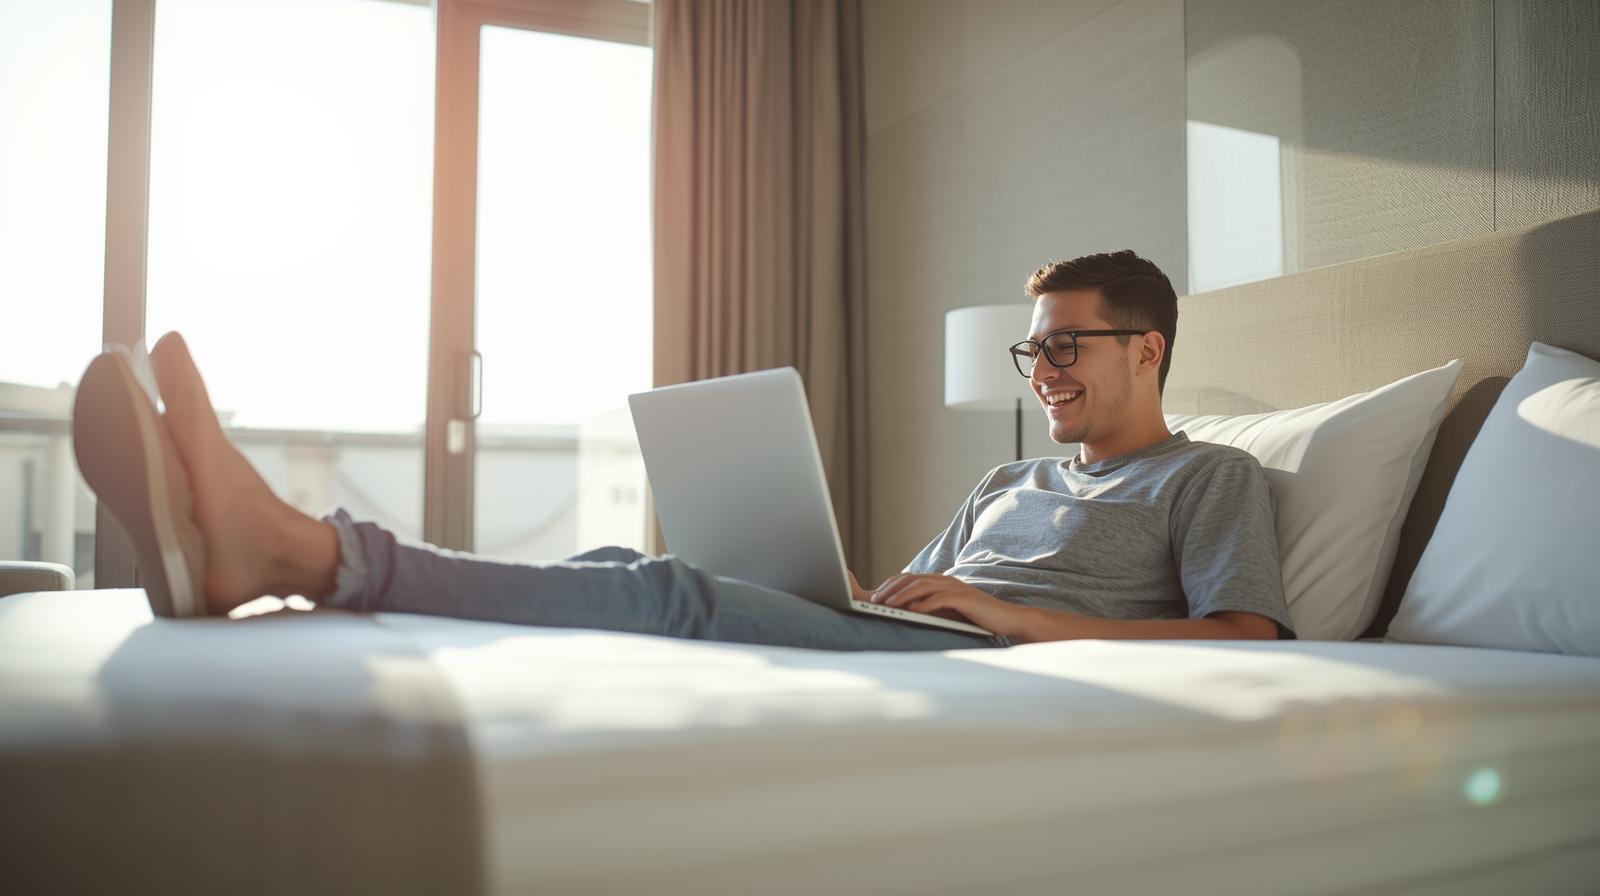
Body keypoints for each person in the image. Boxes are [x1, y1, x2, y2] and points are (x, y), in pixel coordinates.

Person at [72, 250, 1294, 650]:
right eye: (1035, 352)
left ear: (1150, 350)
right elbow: (901, 597)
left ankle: (299, 549)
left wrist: (1015, 617)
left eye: (1070, 346)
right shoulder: (1007, 476)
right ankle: (283, 562)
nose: (1047, 373)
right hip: (936, 639)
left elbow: (1246, 639)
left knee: (672, 592)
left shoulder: (1210, 475)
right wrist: (853, 584)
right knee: (623, 550)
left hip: (994, 658)